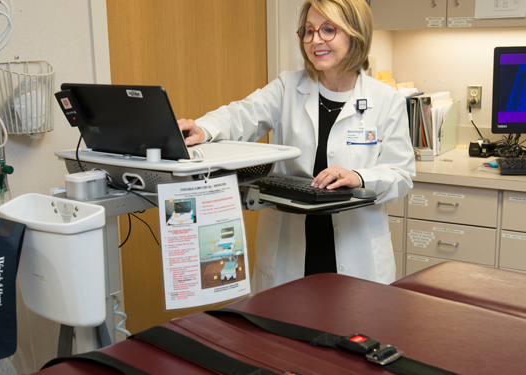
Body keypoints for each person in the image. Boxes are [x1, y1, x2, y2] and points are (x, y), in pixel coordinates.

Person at [177, 0, 415, 292]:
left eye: (328, 30)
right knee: (281, 333)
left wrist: (360, 177)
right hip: (289, 251)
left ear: (355, 34)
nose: (315, 40)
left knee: (354, 330)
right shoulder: (288, 87)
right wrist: (203, 127)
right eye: (308, 31)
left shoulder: (386, 100)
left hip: (357, 252)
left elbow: (401, 174)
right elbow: (241, 114)